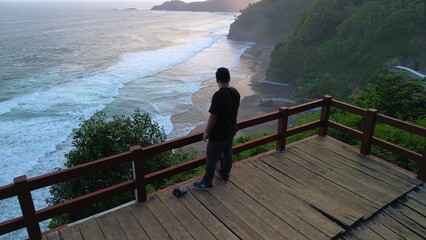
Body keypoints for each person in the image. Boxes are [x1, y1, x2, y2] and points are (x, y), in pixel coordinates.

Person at [193, 67, 240, 191]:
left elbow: (213, 116)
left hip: (219, 133)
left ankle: (207, 182)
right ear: (229, 78)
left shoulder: (218, 95)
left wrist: (206, 132)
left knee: (212, 156)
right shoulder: (235, 93)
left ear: (217, 80)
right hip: (231, 130)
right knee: (228, 151)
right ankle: (224, 174)